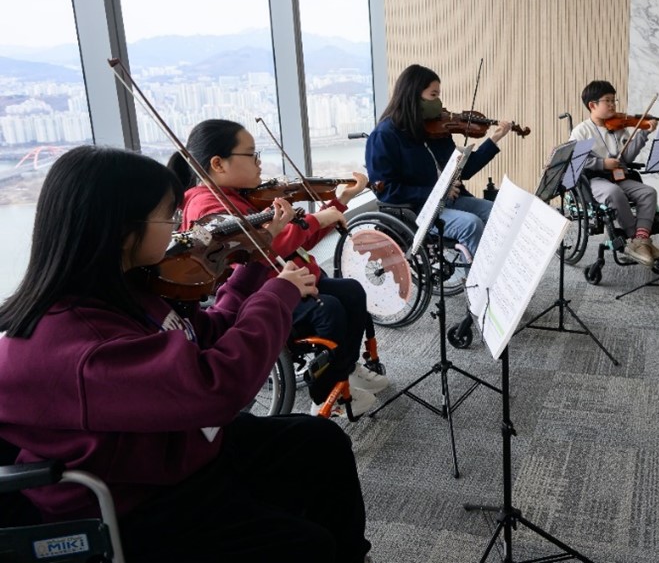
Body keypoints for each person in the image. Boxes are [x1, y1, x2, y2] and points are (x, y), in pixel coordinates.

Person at [0, 146, 373, 563]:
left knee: (319, 441)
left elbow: (205, 333)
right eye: (168, 217)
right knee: (305, 546)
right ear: (124, 232)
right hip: (138, 502)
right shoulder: (80, 348)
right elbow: (216, 387)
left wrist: (251, 271)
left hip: (178, 452)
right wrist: (277, 298)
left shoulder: (125, 291)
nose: (180, 229)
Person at [172, 119, 388, 417]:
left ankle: (345, 368)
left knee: (352, 291)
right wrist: (317, 219)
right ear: (218, 164)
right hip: (257, 293)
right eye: (252, 155)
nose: (260, 164)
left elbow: (294, 239)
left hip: (291, 278)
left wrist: (339, 202)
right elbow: (266, 249)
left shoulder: (238, 197)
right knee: (330, 310)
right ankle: (326, 395)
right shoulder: (207, 208)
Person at [364, 63, 514, 259]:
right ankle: (482, 283)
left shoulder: (435, 129)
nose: (439, 102)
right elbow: (386, 191)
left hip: (448, 201)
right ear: (413, 95)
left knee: (496, 212)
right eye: (433, 95)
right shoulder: (384, 135)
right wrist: (436, 192)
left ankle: (498, 267)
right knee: (471, 223)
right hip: (417, 210)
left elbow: (464, 171)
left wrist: (494, 139)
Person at [570, 80, 659, 267]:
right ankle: (633, 237)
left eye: (614, 100)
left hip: (619, 176)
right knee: (613, 193)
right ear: (593, 105)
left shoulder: (618, 127)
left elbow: (626, 157)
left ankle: (641, 239)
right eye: (608, 101)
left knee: (648, 192)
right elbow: (576, 162)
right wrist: (602, 163)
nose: (613, 105)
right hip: (593, 180)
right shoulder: (581, 131)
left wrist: (643, 134)